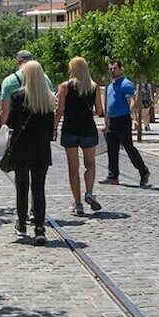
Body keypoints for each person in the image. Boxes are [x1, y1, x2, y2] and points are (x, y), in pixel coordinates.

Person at [7, 60, 56, 246]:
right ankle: (40, 227)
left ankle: (21, 222)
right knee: (39, 189)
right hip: (41, 149)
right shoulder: (48, 98)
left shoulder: (17, 96)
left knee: (21, 187)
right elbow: (51, 129)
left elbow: (11, 122)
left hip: (21, 148)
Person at [53, 56, 104, 216]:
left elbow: (59, 110)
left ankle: (78, 203)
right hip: (88, 129)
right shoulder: (94, 87)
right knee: (90, 164)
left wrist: (53, 128)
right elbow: (100, 111)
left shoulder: (65, 87)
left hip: (70, 130)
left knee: (73, 168)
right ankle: (89, 192)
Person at [101, 59, 150, 187]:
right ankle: (113, 176)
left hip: (123, 119)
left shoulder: (126, 84)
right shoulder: (110, 85)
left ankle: (143, 171)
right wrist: (106, 123)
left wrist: (134, 118)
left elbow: (132, 101)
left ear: (120, 69)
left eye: (115, 68)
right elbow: (108, 105)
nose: (112, 70)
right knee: (112, 149)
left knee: (128, 147)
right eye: (110, 68)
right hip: (112, 121)